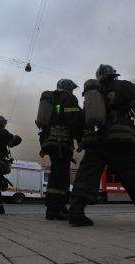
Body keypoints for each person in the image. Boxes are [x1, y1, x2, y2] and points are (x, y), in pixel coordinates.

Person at [69, 64, 135, 226]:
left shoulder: (92, 97)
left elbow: (82, 121)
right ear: (113, 75)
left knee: (86, 176)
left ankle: (76, 212)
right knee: (132, 176)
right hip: (118, 140)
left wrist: (81, 140)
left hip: (94, 142)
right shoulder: (122, 86)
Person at [38, 79, 82, 220]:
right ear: (69, 88)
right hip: (61, 142)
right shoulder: (69, 98)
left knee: (57, 173)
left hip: (50, 142)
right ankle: (56, 209)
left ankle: (54, 209)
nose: (73, 91)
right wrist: (80, 139)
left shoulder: (52, 99)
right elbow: (73, 119)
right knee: (60, 175)